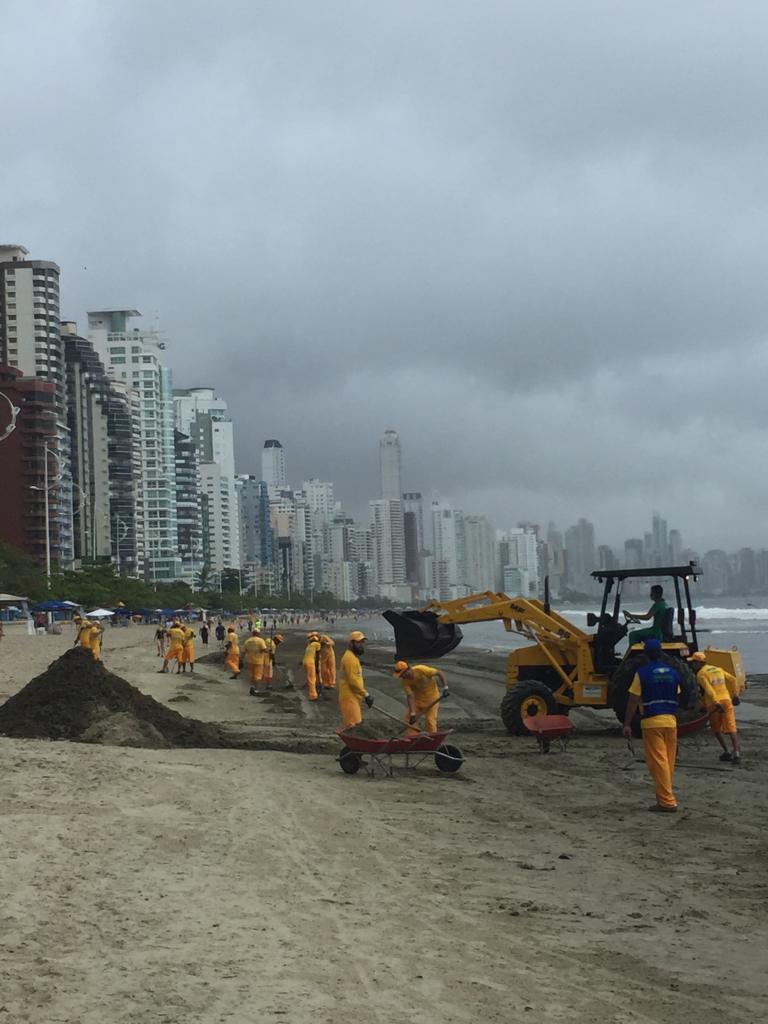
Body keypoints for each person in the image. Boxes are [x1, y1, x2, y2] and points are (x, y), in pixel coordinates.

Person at [623, 638, 682, 812]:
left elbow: (633, 700)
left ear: (646, 654)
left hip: (651, 722)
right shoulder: (673, 672)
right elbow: (677, 694)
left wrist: (627, 723)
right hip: (671, 721)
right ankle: (663, 796)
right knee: (668, 762)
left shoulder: (642, 673)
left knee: (658, 762)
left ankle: (667, 801)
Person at [689, 652, 742, 764]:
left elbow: (709, 690)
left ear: (699, 663)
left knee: (716, 730)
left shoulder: (701, 674)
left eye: (693, 662)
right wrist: (735, 695)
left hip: (714, 703)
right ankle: (736, 752)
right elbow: (732, 679)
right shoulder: (718, 669)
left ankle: (727, 751)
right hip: (727, 700)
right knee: (732, 727)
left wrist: (716, 702)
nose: (692, 664)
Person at [394, 661, 448, 735]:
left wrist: (445, 687)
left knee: (430, 720)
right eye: (401, 676)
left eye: (403, 674)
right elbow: (410, 697)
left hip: (432, 699)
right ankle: (413, 737)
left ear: (408, 670)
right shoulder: (405, 682)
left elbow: (439, 673)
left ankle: (432, 738)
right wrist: (413, 713)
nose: (402, 677)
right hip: (418, 700)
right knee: (409, 719)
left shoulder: (421, 670)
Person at [339, 630, 373, 728]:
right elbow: (353, 681)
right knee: (354, 726)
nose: (361, 645)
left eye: (362, 642)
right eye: (359, 642)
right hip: (349, 697)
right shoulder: (350, 658)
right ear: (351, 643)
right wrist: (366, 695)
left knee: (355, 725)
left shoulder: (353, 657)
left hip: (353, 696)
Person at [244, 628, 268, 695]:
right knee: (258, 676)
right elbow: (264, 650)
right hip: (258, 661)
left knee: (252, 675)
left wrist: (241, 659)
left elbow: (244, 651)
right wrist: (269, 650)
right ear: (258, 634)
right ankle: (256, 689)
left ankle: (252, 687)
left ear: (253, 633)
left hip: (250, 660)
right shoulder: (260, 640)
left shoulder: (247, 641)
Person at [303, 631, 322, 701]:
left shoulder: (309, 645)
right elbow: (317, 656)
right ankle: (313, 695)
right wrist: (317, 667)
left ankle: (314, 689)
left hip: (305, 661)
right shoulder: (317, 644)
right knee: (312, 679)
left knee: (310, 678)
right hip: (310, 662)